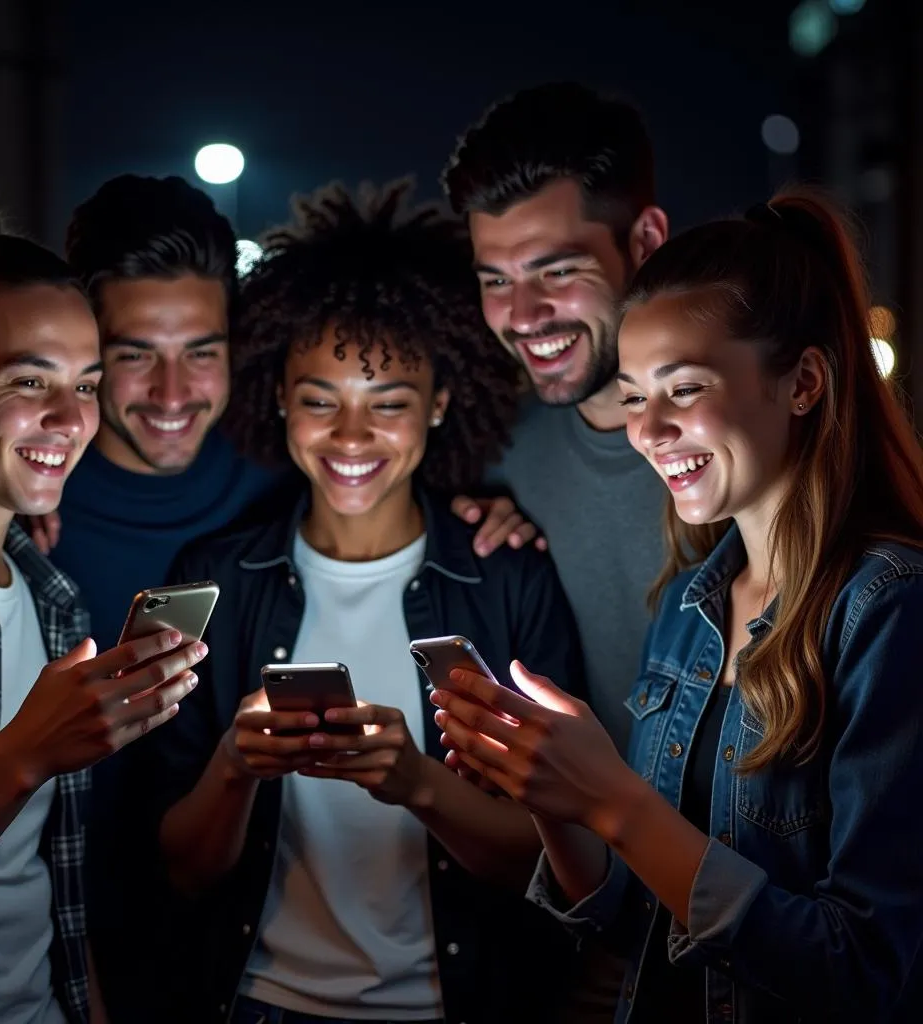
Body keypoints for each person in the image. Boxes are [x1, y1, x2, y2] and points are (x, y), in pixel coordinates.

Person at [432, 192, 923, 1022]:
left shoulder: (887, 611)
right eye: (631, 397)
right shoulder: (692, 605)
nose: (649, 430)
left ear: (802, 382)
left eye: (684, 388)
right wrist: (558, 801)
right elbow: (635, 916)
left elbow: (869, 974)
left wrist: (611, 799)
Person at [147, 180, 584, 1024]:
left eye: (389, 404)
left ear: (440, 406)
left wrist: (419, 784)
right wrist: (235, 766)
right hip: (256, 1004)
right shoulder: (207, 580)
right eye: (320, 401)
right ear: (277, 396)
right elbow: (179, 869)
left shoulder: (509, 578)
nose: (351, 439)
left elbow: (558, 862)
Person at [0, 190, 205, 1023]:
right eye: (29, 379)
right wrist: (23, 754)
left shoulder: (56, 598)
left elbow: (49, 893)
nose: (71, 419)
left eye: (87, 384)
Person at [25, 175, 283, 1019]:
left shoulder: (289, 482)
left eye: (201, 352)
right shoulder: (23, 500)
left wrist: (478, 504)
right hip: (50, 955)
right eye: (135, 355)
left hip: (238, 956)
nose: (173, 396)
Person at [442, 81, 669, 758]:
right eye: (496, 280)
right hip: (589, 857)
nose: (523, 314)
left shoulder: (745, 442)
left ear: (646, 240)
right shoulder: (499, 453)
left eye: (557, 270)